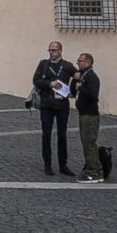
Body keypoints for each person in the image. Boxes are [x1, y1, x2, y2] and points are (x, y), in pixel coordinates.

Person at [32, 41, 77, 176]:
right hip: (47, 104)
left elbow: (77, 78)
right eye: (50, 50)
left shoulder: (67, 66)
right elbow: (36, 80)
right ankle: (48, 164)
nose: (51, 52)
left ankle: (63, 164)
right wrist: (50, 83)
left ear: (60, 51)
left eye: (54, 50)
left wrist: (72, 92)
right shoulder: (43, 64)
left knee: (62, 135)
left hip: (62, 105)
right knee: (46, 134)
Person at [72, 53, 102, 183]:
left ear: (88, 63)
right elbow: (72, 92)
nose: (78, 63)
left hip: (90, 115)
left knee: (89, 143)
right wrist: (74, 80)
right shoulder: (82, 76)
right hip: (83, 113)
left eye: (80, 61)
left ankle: (92, 172)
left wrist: (81, 88)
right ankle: (95, 168)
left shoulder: (92, 77)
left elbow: (94, 95)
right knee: (86, 143)